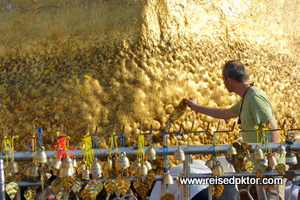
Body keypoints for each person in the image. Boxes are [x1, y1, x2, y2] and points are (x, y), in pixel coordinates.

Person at [184, 60, 284, 200]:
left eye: (223, 80)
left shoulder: (255, 97)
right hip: (262, 169)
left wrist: (271, 169)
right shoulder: (247, 98)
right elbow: (225, 113)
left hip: (269, 169)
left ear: (228, 80)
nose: (224, 84)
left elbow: (275, 132)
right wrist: (196, 107)